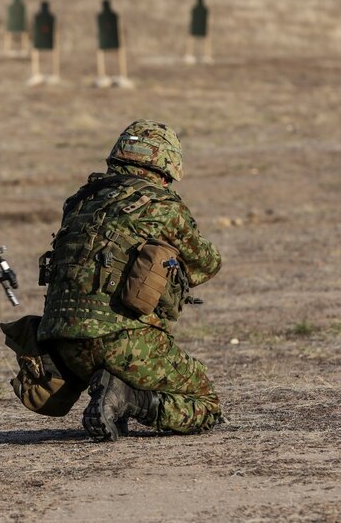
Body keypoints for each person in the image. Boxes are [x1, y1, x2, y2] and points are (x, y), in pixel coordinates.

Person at [35, 119, 223, 441]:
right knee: (206, 404)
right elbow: (207, 263)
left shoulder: (79, 201)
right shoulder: (164, 206)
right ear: (166, 169)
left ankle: (112, 400)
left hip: (60, 346)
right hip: (121, 341)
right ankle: (130, 399)